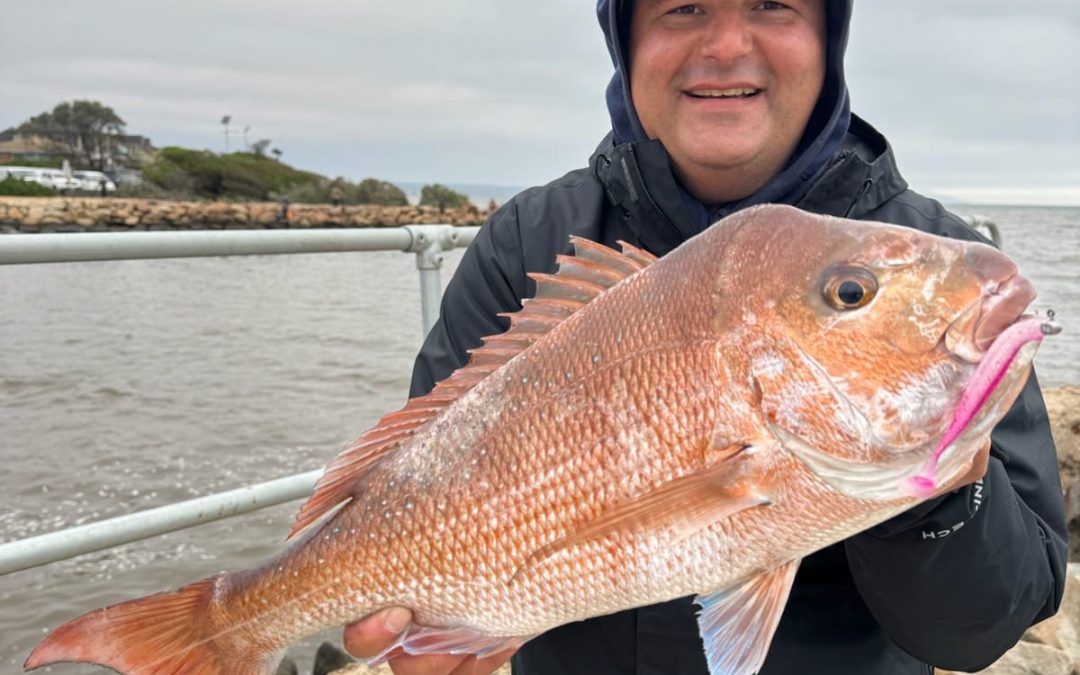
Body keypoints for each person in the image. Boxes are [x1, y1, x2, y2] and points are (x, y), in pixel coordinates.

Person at [343, 1, 1068, 673]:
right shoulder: (528, 247)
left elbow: (983, 627)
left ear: (829, 38)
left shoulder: (942, 267)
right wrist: (434, 617)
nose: (725, 45)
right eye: (682, 6)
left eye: (771, 4)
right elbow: (420, 476)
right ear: (625, 41)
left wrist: (944, 487)